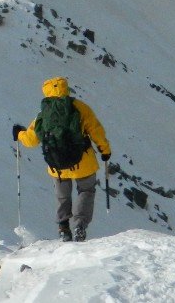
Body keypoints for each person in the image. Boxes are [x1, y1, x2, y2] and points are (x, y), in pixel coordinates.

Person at [12, 76, 111, 242]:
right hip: (83, 160)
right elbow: (96, 130)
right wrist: (105, 150)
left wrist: (19, 134)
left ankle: (63, 227)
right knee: (86, 191)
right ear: (66, 89)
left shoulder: (43, 114)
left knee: (62, 196)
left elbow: (31, 140)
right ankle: (79, 225)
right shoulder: (79, 108)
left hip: (57, 164)